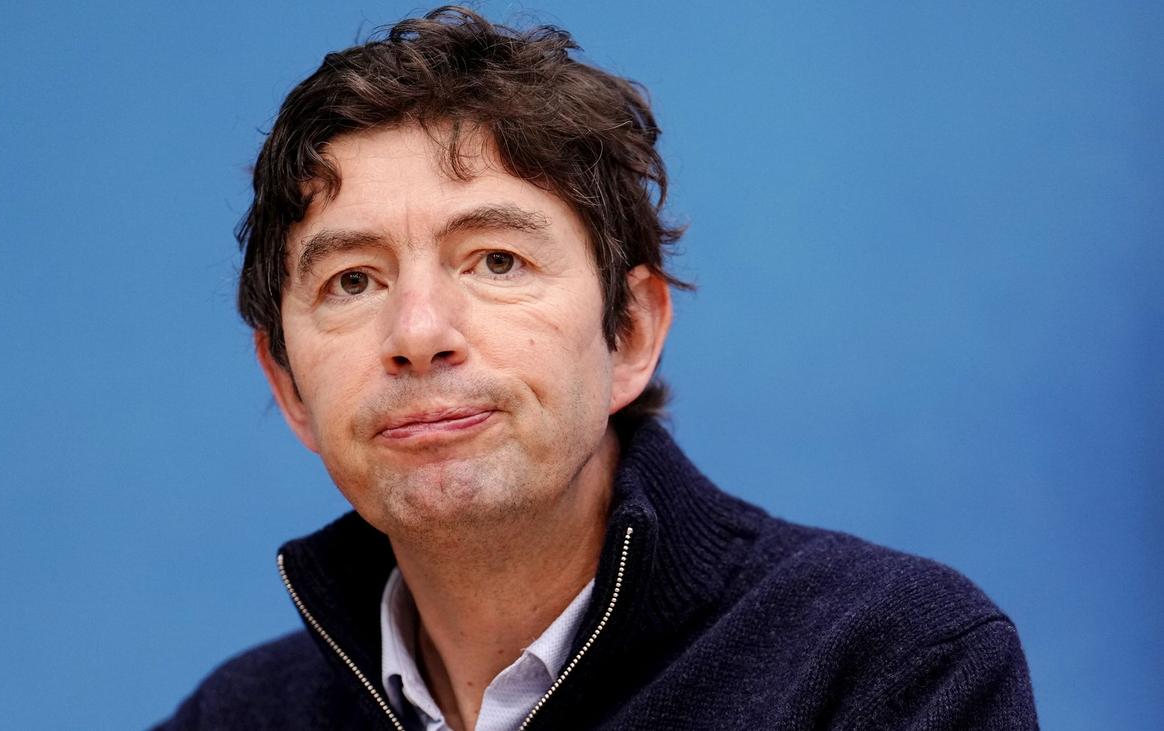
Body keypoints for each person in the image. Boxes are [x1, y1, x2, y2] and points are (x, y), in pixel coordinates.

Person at [157, 6, 1037, 730]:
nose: (418, 333)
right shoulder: (233, 716)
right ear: (288, 385)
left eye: (496, 260)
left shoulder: (889, 667)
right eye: (353, 280)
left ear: (630, 332)